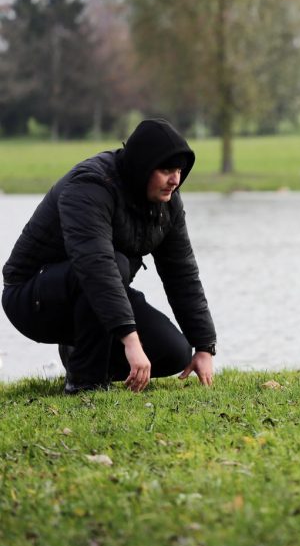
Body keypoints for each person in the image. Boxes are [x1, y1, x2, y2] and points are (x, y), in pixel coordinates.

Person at [2, 118, 217, 394]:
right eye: (166, 170)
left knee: (174, 352)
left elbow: (182, 274)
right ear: (142, 166)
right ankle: (84, 381)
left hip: (100, 292)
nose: (175, 180)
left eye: (179, 170)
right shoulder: (90, 185)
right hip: (32, 297)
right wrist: (130, 339)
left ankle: (83, 354)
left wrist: (204, 345)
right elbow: (96, 266)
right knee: (113, 264)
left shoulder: (166, 201)